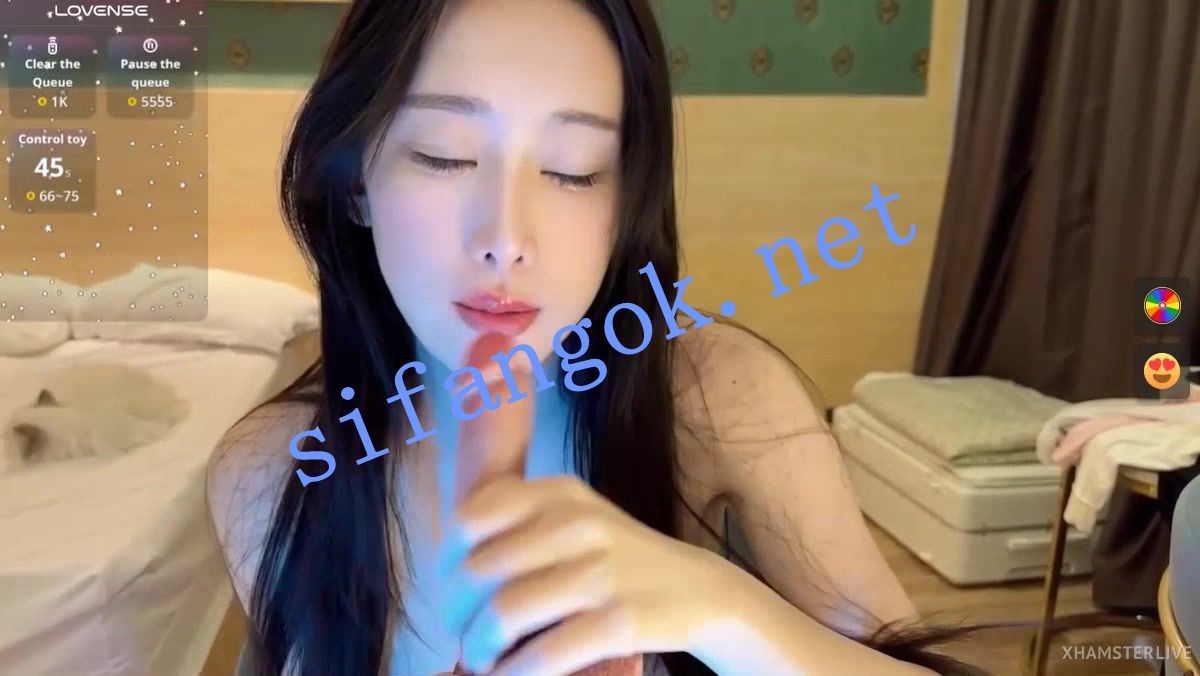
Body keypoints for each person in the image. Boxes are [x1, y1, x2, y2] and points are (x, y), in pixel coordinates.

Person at [206, 1, 986, 674]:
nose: (506, 240)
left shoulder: (720, 395)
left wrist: (720, 607)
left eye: (574, 170)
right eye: (444, 156)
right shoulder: (269, 474)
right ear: (354, 183)